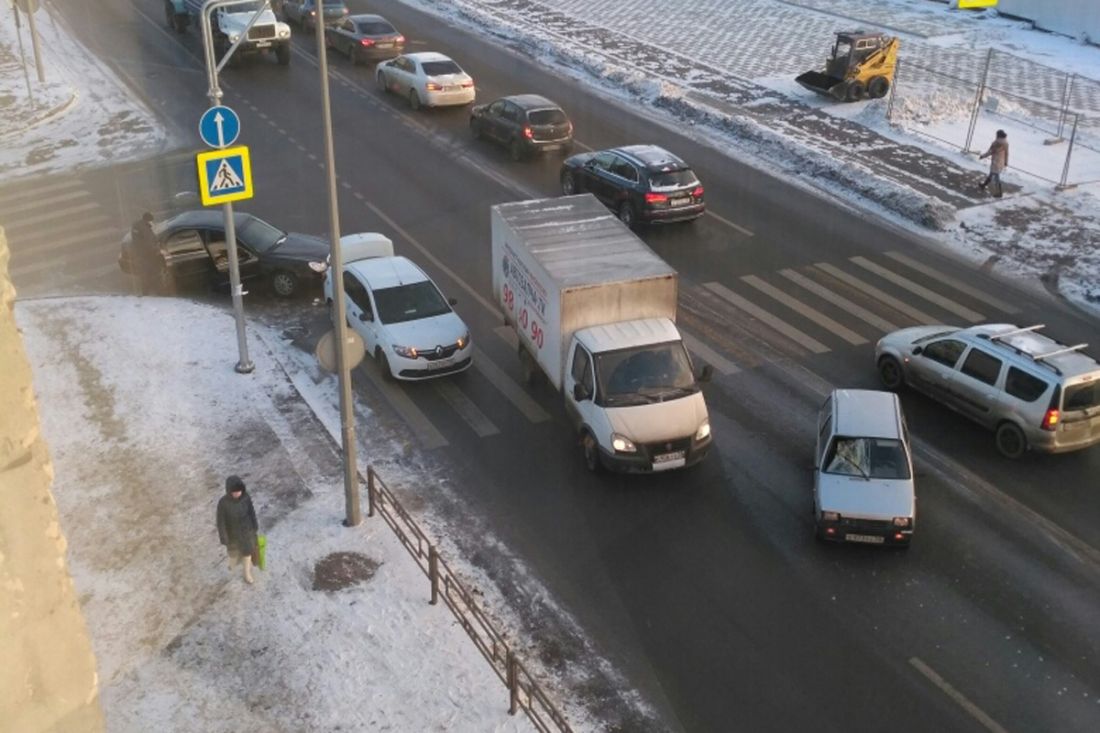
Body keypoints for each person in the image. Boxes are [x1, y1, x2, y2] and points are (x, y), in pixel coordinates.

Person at [216, 475, 259, 585]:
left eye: (239, 491)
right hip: (232, 535)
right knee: (234, 554)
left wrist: (254, 525)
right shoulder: (223, 503)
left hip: (247, 532)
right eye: (234, 492)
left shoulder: (246, 498)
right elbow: (220, 522)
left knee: (247, 553)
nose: (237, 494)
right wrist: (223, 536)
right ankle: (232, 563)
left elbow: (251, 512)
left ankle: (247, 573)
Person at [130, 212, 163, 295]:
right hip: (144, 253)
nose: (151, 222)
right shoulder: (138, 226)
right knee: (146, 272)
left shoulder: (147, 226)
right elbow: (139, 241)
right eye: (150, 220)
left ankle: (154, 290)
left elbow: (152, 238)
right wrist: (150, 248)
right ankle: (146, 291)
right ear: (147, 219)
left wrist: (156, 245)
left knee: (152, 271)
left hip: (150, 252)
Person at [978, 129, 1009, 198]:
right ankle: (984, 185)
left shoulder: (996, 143)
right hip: (1001, 161)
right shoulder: (1006, 142)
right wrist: (1006, 162)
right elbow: (1007, 154)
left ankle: (999, 193)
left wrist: (982, 156)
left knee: (996, 177)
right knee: (991, 174)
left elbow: (990, 152)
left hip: (996, 161)